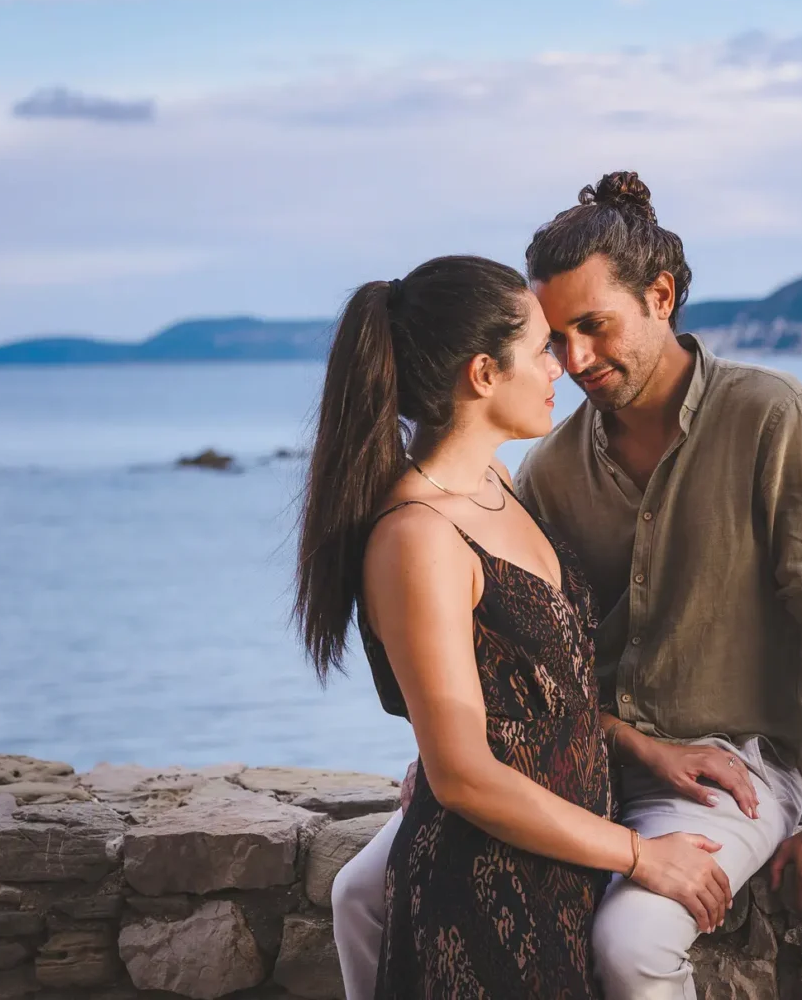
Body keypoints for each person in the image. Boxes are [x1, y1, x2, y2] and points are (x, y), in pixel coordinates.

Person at [332, 175, 802, 1000]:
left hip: (732, 765)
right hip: (590, 758)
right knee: (358, 894)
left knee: (631, 943)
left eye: (594, 326)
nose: (575, 359)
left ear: (660, 297)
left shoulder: (776, 419)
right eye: (555, 336)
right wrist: (453, 760)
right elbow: (525, 652)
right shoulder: (541, 466)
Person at [296, 255, 732, 1000]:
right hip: (482, 906)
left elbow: (535, 698)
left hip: (554, 875)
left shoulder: (496, 482)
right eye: (540, 348)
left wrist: (638, 746)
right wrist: (640, 855)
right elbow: (462, 773)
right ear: (482, 374)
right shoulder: (419, 537)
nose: (560, 365)